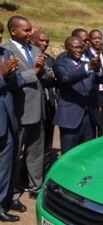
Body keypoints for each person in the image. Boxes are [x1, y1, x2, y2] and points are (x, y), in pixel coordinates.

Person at [1, 15, 47, 209]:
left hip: (38, 109)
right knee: (11, 158)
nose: (31, 33)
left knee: (36, 152)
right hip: (17, 111)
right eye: (26, 30)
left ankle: (36, 187)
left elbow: (42, 74)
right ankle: (11, 196)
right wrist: (34, 71)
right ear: (13, 31)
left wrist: (43, 70)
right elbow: (15, 79)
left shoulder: (35, 49)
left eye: (31, 30)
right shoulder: (6, 50)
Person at [53, 36, 103, 153]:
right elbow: (66, 79)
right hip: (70, 118)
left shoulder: (87, 63)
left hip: (89, 117)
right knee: (69, 154)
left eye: (81, 47)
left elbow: (101, 79)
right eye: (75, 47)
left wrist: (98, 69)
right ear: (67, 48)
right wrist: (89, 67)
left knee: (87, 153)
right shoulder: (60, 64)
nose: (79, 50)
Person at [0, 23, 22, 223]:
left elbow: (19, 81)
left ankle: (1, 204)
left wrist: (13, 74)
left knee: (5, 165)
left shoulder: (6, 53)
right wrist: (2, 76)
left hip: (7, 119)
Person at [30, 30, 57, 171]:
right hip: (32, 107)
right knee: (31, 144)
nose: (45, 44)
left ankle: (44, 171)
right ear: (32, 41)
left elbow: (54, 80)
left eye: (47, 41)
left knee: (47, 141)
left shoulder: (50, 59)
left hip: (49, 105)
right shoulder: (28, 58)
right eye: (41, 40)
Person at [86, 29, 103, 136]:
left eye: (99, 38)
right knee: (93, 123)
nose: (97, 41)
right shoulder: (86, 54)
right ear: (89, 40)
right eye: (94, 38)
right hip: (94, 93)